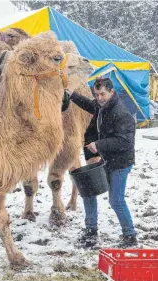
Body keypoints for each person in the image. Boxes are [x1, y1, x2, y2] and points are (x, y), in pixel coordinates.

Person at [67, 77, 137, 248]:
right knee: (88, 191)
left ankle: (130, 235)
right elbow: (90, 105)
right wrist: (72, 95)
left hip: (120, 162)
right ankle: (91, 231)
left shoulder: (121, 114)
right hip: (106, 158)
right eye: (97, 94)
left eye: (103, 94)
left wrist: (98, 145)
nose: (99, 98)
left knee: (116, 200)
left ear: (112, 92)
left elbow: (125, 142)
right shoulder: (102, 106)